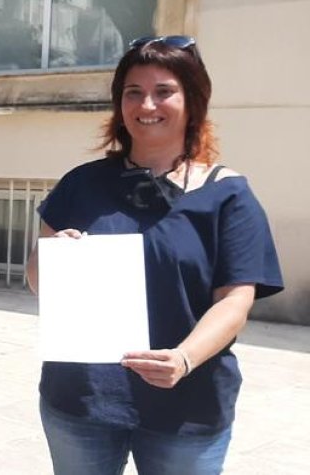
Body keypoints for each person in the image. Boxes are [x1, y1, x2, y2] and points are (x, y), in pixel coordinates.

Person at [26, 35, 284, 475]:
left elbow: (235, 301)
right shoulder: (82, 184)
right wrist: (50, 258)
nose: (147, 105)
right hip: (82, 399)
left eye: (164, 91)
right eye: (133, 92)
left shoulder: (228, 195)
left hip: (187, 407)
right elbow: (37, 279)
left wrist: (183, 358)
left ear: (193, 101)